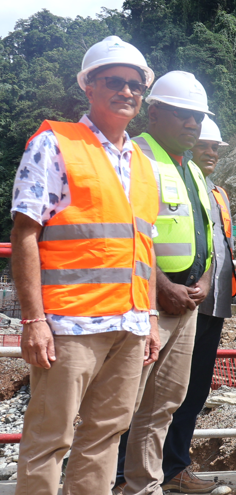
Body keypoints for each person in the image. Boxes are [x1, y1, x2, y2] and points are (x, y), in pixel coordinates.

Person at [10, 35, 159, 495]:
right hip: (69, 325)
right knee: (49, 438)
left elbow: (143, 248)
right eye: (113, 81)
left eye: (135, 83)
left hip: (129, 325)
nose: (126, 91)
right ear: (88, 87)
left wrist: (150, 316)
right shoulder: (55, 144)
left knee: (103, 437)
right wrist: (34, 320)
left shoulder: (143, 161)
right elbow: (25, 234)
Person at [115, 70, 215, 495]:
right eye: (182, 115)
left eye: (197, 116)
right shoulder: (136, 157)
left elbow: (206, 234)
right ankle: (110, 482)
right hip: (149, 301)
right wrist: (161, 286)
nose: (192, 124)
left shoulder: (191, 169)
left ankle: (144, 486)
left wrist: (206, 278)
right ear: (154, 112)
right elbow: (128, 233)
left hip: (188, 302)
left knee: (164, 404)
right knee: (123, 402)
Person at [160, 117, 236, 493]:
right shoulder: (176, 182)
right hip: (181, 303)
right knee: (160, 394)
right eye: (205, 145)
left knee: (193, 393)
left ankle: (175, 468)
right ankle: (130, 472)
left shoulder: (218, 193)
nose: (211, 152)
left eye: (216, 147)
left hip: (214, 305)